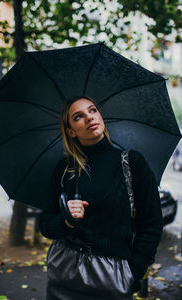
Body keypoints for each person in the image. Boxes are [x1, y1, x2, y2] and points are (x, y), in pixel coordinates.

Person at [39, 96, 163, 300]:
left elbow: (151, 222)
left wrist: (135, 270)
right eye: (78, 116)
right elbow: (45, 224)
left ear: (100, 116)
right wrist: (66, 221)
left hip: (112, 274)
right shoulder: (65, 169)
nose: (89, 117)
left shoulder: (131, 163)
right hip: (65, 269)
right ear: (71, 131)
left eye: (93, 110)